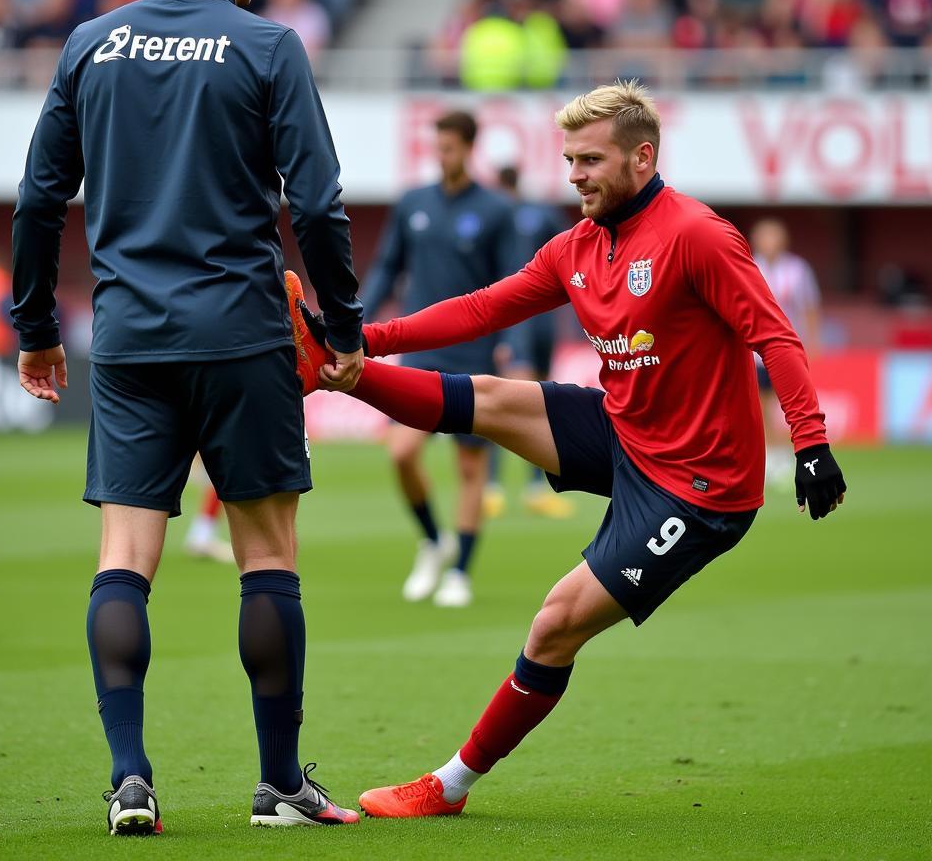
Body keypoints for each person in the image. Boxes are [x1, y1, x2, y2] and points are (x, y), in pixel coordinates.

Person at [288, 80, 846, 817]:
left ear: (642, 158)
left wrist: (810, 443)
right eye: (569, 159)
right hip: (625, 430)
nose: (574, 174)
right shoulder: (577, 245)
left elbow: (774, 334)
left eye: (590, 159)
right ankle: (329, 375)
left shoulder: (699, 236)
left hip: (700, 487)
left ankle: (449, 786)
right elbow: (483, 308)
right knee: (486, 398)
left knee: (553, 624)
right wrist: (360, 340)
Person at [11, 0, 364, 835]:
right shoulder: (265, 43)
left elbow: (40, 201)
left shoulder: (93, 43)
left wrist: (37, 329)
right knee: (267, 557)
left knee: (125, 558)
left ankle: (131, 780)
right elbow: (319, 204)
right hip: (243, 334)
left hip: (128, 342)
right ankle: (280, 784)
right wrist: (343, 327)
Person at [361, 110, 515, 608]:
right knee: (401, 453)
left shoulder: (496, 210)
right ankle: (433, 540)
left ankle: (461, 573)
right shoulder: (413, 203)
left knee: (471, 470)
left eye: (449, 147)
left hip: (473, 357)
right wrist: (354, 321)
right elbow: (387, 267)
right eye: (438, 146)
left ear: (469, 148)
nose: (441, 155)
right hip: (421, 355)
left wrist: (513, 343)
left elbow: (515, 285)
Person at [483, 165, 574, 521]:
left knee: (539, 395)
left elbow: (569, 254)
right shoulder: (491, 216)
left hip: (541, 320)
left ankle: (536, 486)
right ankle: (492, 486)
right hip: (506, 317)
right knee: (507, 396)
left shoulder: (541, 214)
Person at [749, 218, 822, 486]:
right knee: (760, 403)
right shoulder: (749, 264)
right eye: (764, 237)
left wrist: (813, 342)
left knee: (790, 403)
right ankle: (771, 455)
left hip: (787, 348)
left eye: (773, 237)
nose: (768, 243)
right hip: (756, 350)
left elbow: (810, 307)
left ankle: (795, 451)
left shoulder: (797, 270)